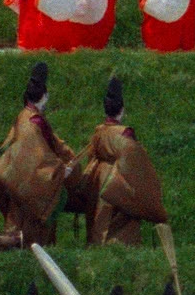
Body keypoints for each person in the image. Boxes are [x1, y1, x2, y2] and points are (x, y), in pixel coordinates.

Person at [71, 76, 169, 246]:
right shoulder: (125, 134)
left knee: (99, 224)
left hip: (99, 180)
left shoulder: (99, 132)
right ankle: (118, 251)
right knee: (121, 228)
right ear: (122, 110)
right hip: (118, 184)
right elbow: (137, 165)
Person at [0, 62, 74, 247]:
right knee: (32, 237)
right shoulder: (35, 123)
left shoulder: (23, 116)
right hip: (31, 189)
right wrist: (60, 171)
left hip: (17, 184)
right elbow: (40, 159)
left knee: (16, 230)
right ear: (44, 96)